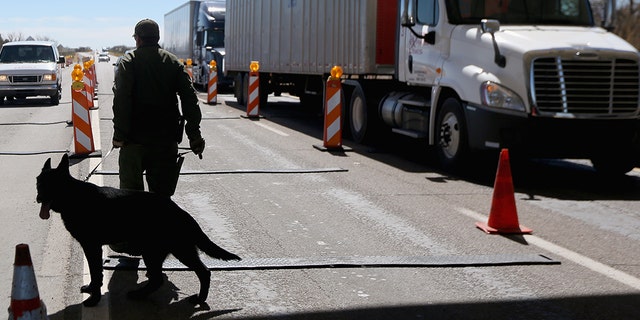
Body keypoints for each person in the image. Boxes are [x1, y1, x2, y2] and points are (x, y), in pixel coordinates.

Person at [112, 18, 206, 198]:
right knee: (161, 203)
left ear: (137, 39)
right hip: (165, 142)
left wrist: (119, 136)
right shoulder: (173, 62)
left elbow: (121, 100)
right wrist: (194, 136)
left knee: (131, 200)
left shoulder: (128, 62)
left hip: (133, 143)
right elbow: (189, 99)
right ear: (157, 38)